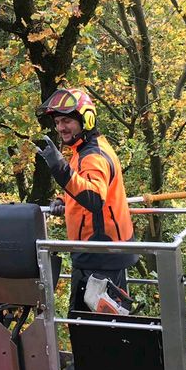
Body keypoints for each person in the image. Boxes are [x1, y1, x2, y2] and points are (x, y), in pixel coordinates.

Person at [35, 87, 138, 314]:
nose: (61, 127)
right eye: (58, 122)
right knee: (94, 330)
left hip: (100, 256)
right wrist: (64, 199)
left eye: (67, 121)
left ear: (86, 120)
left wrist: (59, 167)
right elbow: (84, 186)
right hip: (99, 254)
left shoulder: (93, 156)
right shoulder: (85, 150)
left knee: (95, 332)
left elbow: (93, 198)